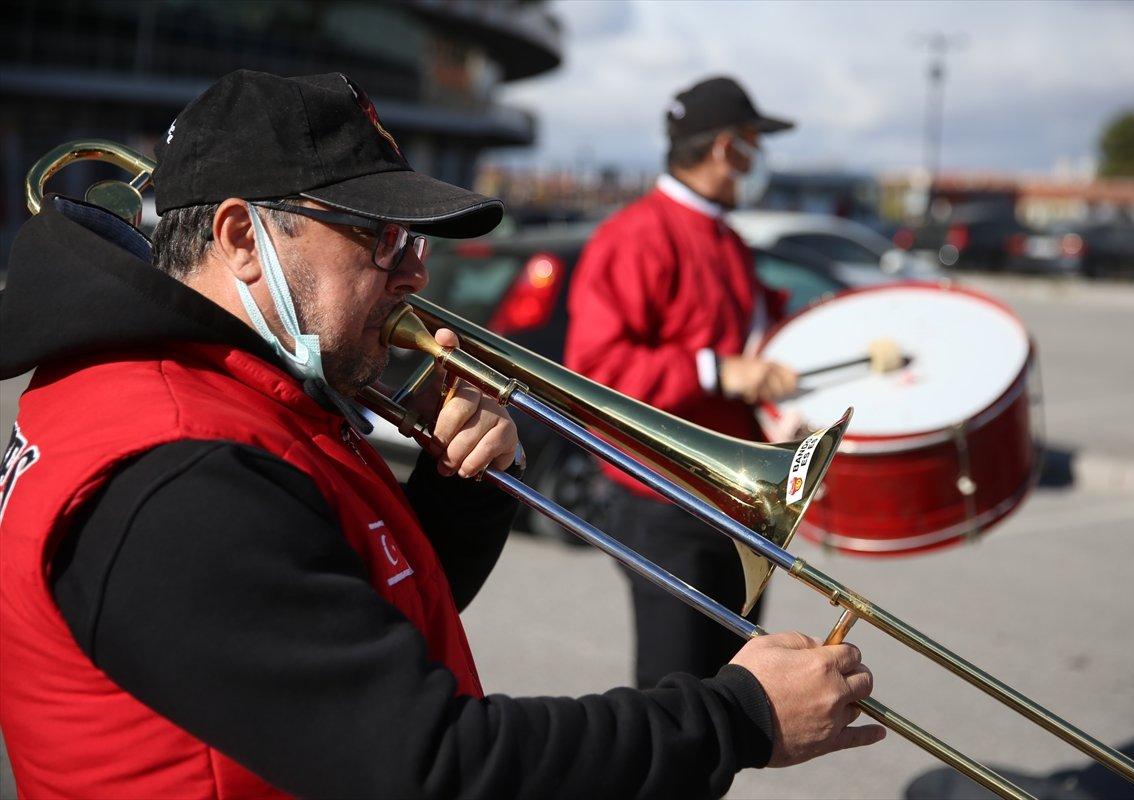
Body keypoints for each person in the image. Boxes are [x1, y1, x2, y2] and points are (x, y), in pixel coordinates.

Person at [0, 70, 882, 799]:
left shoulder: (235, 396)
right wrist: (738, 718)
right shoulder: (177, 470)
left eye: (415, 242)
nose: (415, 274)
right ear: (241, 236)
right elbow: (431, 764)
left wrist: (459, 494)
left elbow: (340, 635)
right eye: (379, 237)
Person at [565, 75, 805, 689]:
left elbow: (752, 346)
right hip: (665, 503)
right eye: (754, 142)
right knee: (674, 698)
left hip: (732, 502)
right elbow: (593, 373)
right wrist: (716, 369)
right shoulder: (634, 235)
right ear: (727, 148)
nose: (759, 158)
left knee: (734, 688)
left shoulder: (726, 237)